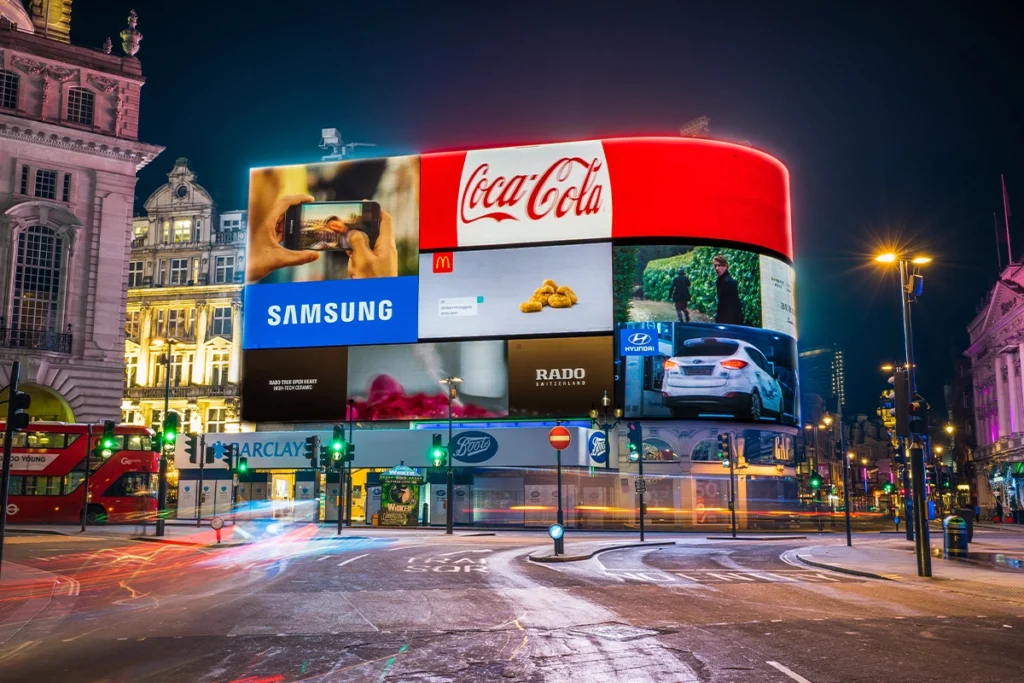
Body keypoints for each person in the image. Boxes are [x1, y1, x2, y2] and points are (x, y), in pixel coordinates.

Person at [246, 194, 397, 282]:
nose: (335, 228)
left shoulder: (354, 235)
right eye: (331, 227)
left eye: (335, 224)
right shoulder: (333, 240)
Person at [713, 255, 744, 325]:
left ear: (725, 266)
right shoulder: (720, 281)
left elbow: (734, 306)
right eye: (715, 266)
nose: (717, 268)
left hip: (729, 322)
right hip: (723, 320)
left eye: (719, 265)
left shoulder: (729, 282)